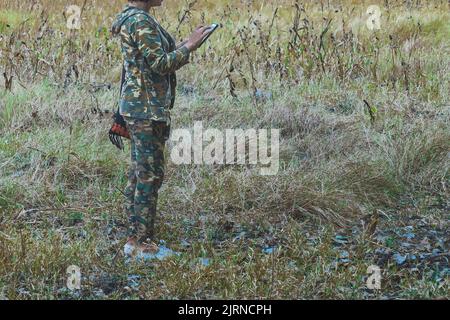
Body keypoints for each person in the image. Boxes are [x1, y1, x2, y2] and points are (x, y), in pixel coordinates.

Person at [111, 0, 210, 257]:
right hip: (145, 109)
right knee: (149, 175)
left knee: (139, 173)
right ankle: (142, 244)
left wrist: (183, 45)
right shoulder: (140, 20)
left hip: (139, 107)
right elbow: (160, 64)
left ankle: (134, 239)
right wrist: (190, 45)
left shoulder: (132, 17)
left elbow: (149, 61)